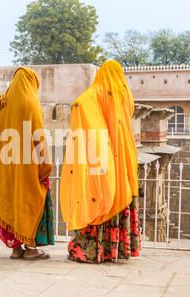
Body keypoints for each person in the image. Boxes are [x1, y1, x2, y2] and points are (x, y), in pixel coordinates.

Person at [60, 60, 141, 264]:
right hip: (122, 157)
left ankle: (92, 251)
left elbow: (80, 103)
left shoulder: (96, 92)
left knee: (96, 194)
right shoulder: (124, 94)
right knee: (116, 193)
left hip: (100, 155)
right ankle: (114, 251)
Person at [0, 67, 54, 260]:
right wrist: (45, 166)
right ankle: (31, 249)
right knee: (29, 201)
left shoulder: (0, 104)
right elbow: (38, 138)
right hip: (27, 167)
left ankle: (15, 250)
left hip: (5, 168)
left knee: (9, 202)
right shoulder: (31, 104)